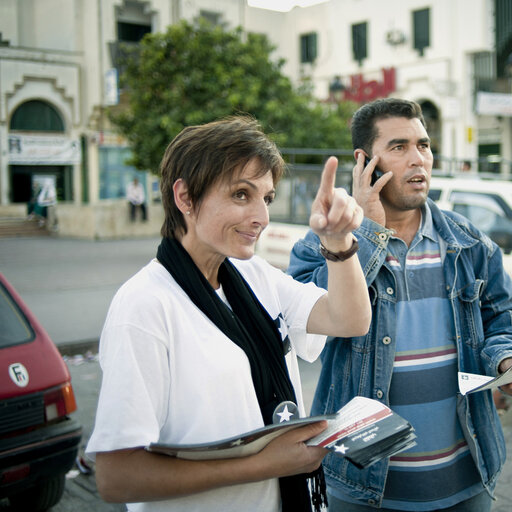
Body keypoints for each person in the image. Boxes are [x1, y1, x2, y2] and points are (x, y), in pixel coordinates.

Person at [86, 116, 371, 512]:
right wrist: (262, 465)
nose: (262, 217)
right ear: (185, 198)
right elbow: (117, 477)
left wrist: (338, 242)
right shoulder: (145, 306)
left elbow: (348, 320)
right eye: (241, 194)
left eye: (266, 198)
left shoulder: (252, 274)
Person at [288, 98, 512, 511]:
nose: (418, 159)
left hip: (467, 476)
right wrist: (366, 235)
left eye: (423, 145)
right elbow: (311, 320)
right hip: (364, 485)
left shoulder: (468, 243)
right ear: (364, 160)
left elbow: (505, 318)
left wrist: (507, 359)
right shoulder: (326, 242)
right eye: (400, 147)